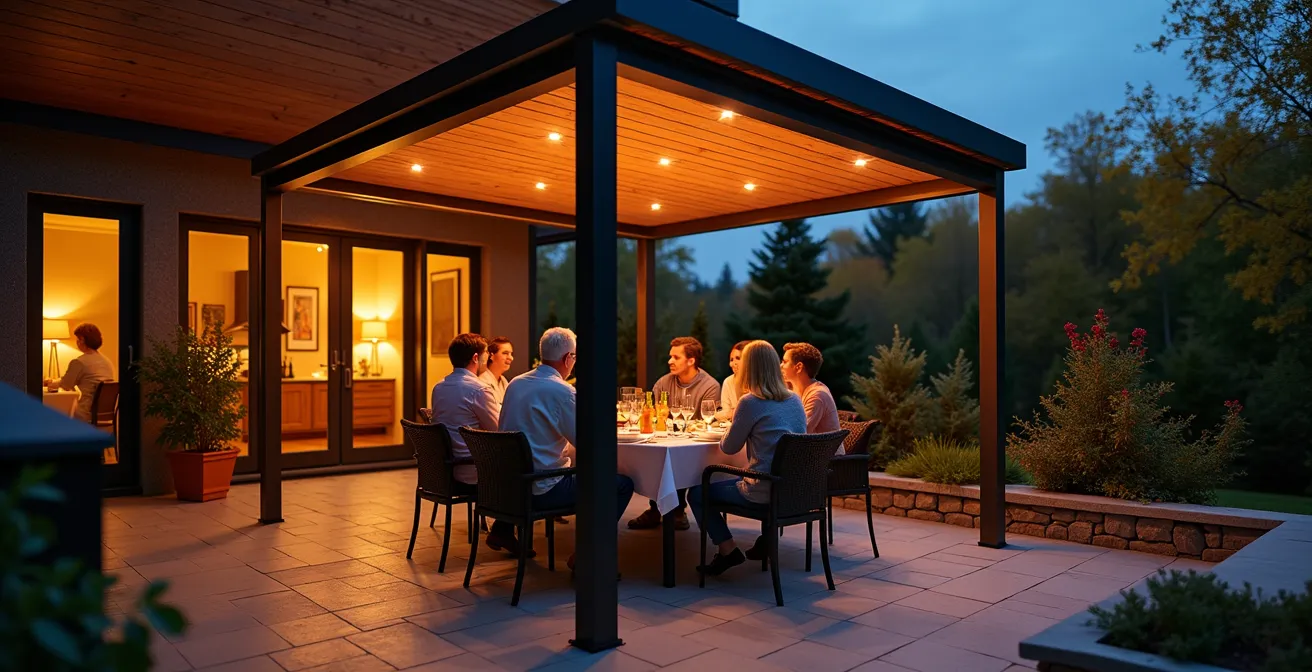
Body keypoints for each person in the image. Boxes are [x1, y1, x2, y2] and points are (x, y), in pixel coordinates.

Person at [498, 327, 635, 569]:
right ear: (567, 359)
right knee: (621, 484)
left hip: (511, 486)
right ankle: (587, 553)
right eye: (575, 357)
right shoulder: (562, 391)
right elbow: (587, 443)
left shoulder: (515, 384)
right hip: (543, 488)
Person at [687, 340, 806, 576]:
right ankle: (759, 541)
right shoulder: (794, 400)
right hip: (793, 489)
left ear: (748, 368)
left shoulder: (750, 402)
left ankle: (727, 550)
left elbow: (730, 448)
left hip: (762, 489)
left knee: (698, 493)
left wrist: (728, 430)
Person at [627, 336, 720, 531]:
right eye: (670, 357)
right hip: (665, 439)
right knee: (654, 456)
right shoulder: (664, 382)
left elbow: (706, 420)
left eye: (675, 357)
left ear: (691, 360)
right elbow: (652, 413)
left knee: (678, 458)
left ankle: (676, 511)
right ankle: (657, 509)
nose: (669, 361)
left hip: (693, 445)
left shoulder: (710, 386)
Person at [430, 334, 510, 550]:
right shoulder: (478, 389)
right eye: (485, 355)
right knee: (523, 467)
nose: (487, 359)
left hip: (447, 469)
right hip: (472, 471)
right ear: (476, 358)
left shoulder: (439, 387)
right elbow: (500, 430)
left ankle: (503, 530)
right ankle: (505, 530)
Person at [45, 323, 115, 423]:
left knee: (56, 413)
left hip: (86, 413)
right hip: (106, 414)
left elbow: (66, 385)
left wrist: (50, 382)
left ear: (81, 340)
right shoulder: (107, 361)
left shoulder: (79, 362)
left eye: (77, 339)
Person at [781, 342, 841, 436]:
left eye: (784, 362)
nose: (781, 366)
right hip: (802, 449)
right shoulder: (793, 390)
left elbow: (798, 433)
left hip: (822, 450)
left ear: (799, 367)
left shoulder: (817, 396)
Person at [715, 340, 751, 422]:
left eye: (738, 358)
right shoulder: (728, 381)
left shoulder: (761, 381)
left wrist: (733, 411)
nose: (732, 364)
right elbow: (725, 414)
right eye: (731, 360)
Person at [479, 336, 513, 404]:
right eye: (505, 353)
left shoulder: (504, 381)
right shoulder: (482, 382)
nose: (511, 358)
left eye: (511, 354)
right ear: (491, 356)